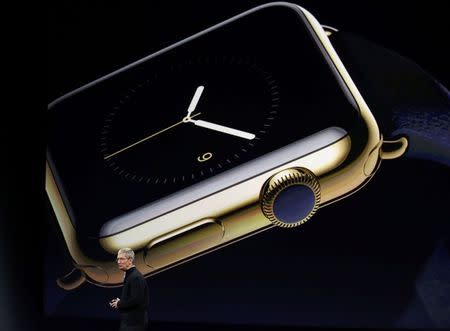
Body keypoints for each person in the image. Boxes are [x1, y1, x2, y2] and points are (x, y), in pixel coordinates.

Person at [109, 248, 150, 331]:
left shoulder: (135, 277)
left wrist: (119, 304)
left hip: (134, 324)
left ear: (130, 260)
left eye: (122, 259)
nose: (119, 262)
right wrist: (121, 301)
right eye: (118, 259)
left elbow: (135, 300)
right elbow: (133, 297)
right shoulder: (130, 275)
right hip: (130, 322)